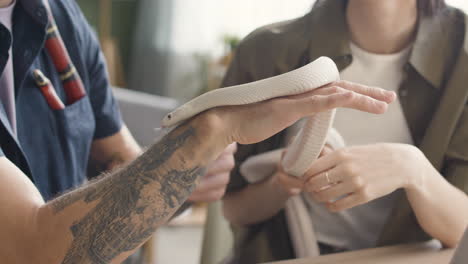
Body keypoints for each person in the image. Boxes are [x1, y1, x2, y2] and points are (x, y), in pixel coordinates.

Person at [0, 0, 395, 263]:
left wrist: (179, 172)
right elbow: (35, 250)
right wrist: (205, 135)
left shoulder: (58, 15)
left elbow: (122, 159)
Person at [222, 0, 468, 263]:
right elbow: (235, 209)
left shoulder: (462, 55)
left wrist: (411, 168)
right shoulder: (264, 49)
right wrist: (283, 182)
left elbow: (459, 231)